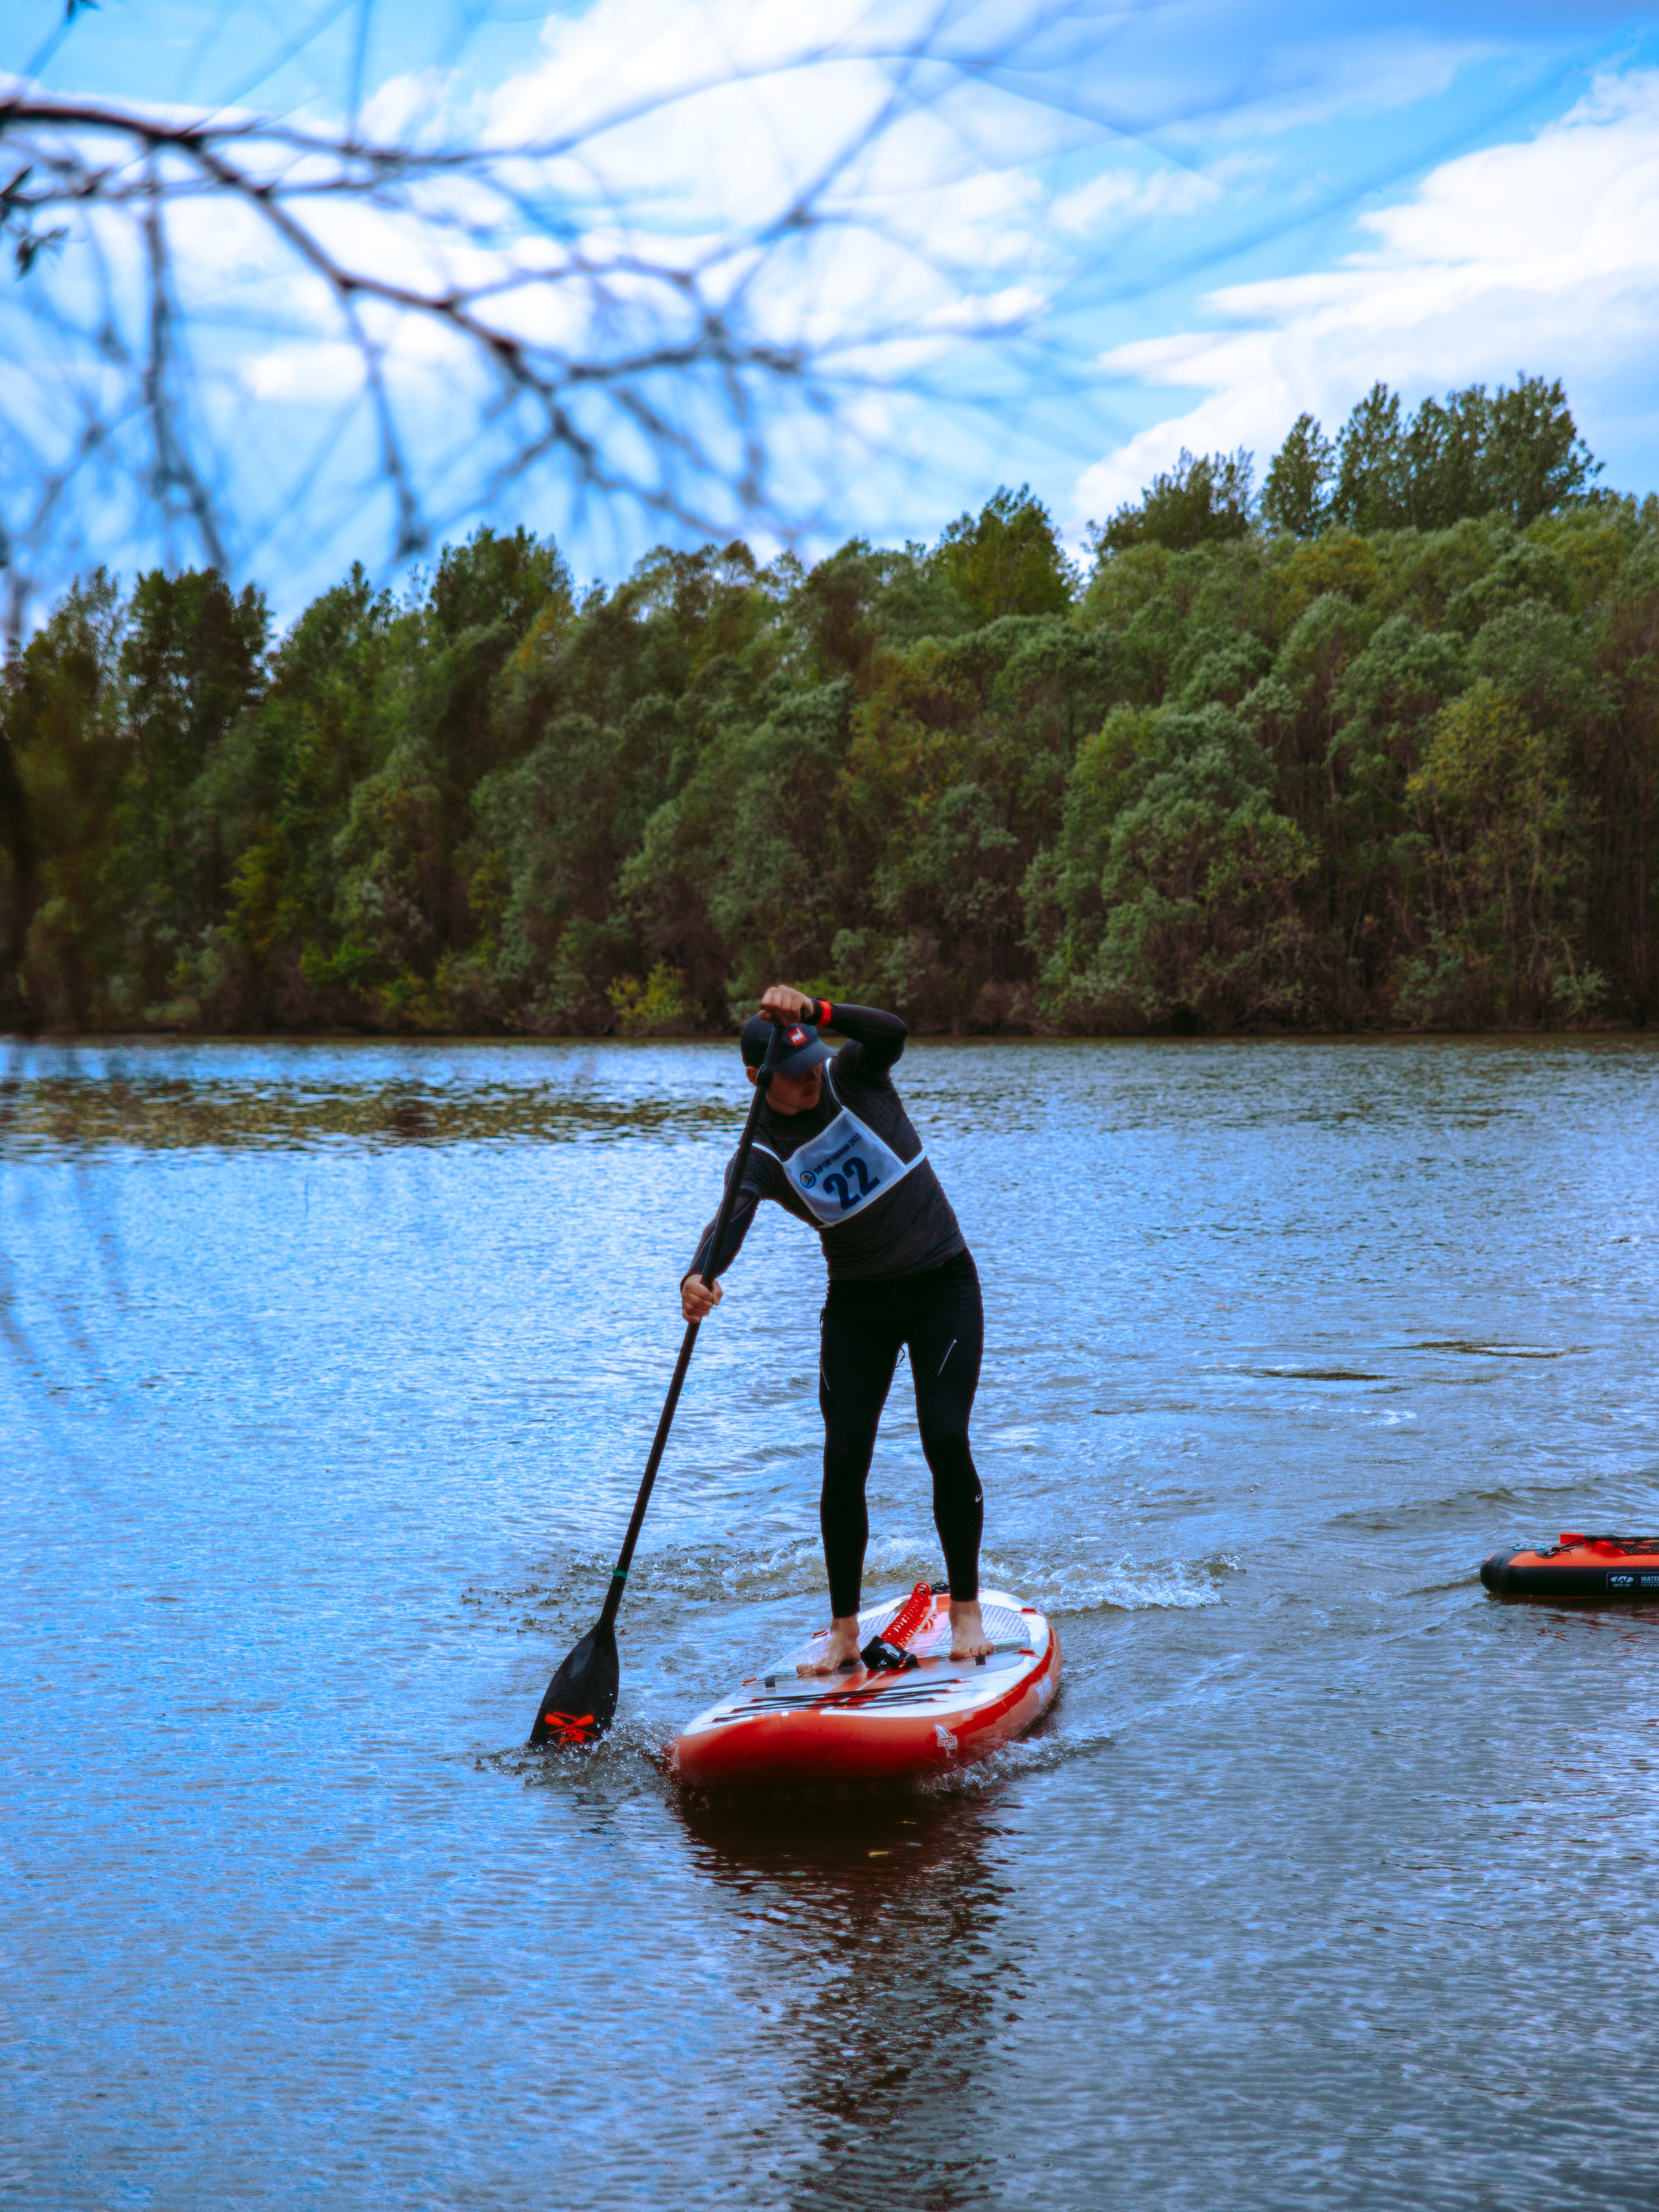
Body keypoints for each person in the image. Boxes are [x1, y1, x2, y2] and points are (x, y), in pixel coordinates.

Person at [682, 983, 992, 1671]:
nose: (811, 1077)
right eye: (793, 1074)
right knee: (844, 1453)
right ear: (757, 1079)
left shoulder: (853, 1075)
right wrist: (697, 1275)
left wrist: (819, 1011)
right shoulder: (761, 1151)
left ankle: (966, 1610)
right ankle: (845, 1630)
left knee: (944, 1435)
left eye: (813, 1062)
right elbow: (728, 1221)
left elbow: (892, 1030)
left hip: (941, 1284)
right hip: (858, 1304)